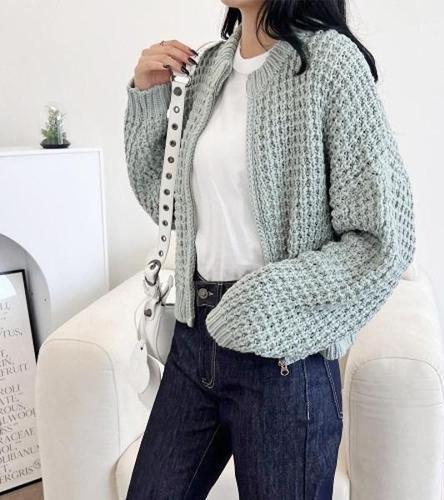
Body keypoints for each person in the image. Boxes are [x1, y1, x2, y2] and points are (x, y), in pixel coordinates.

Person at [123, 0, 416, 498]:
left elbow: (382, 240)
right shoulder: (209, 67)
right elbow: (168, 205)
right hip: (195, 343)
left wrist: (267, 303)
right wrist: (149, 98)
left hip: (284, 361)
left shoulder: (330, 65)